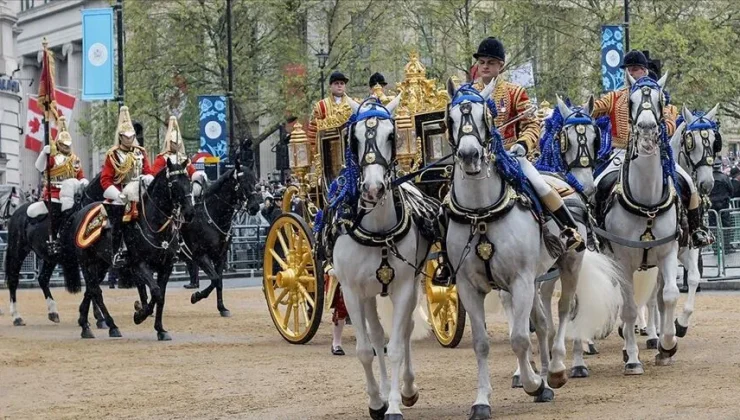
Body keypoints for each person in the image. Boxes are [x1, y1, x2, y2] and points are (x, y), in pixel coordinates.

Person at [435, 37, 585, 284]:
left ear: (500, 66)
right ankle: (447, 259)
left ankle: (569, 231)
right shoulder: (464, 94)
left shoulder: (515, 92)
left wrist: (522, 144)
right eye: (482, 62)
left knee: (540, 185)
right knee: (445, 205)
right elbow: (450, 127)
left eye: (490, 63)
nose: (485, 66)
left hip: (510, 157)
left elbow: (531, 124)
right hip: (474, 160)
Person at [592, 50, 712, 248]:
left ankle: (696, 230)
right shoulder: (615, 97)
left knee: (689, 183)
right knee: (596, 187)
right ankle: (596, 233)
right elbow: (593, 109)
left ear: (645, 71)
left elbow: (671, 121)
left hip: (656, 154)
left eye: (636, 69)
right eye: (628, 69)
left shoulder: (659, 96)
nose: (632, 72)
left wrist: (661, 127)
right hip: (621, 153)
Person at [100, 106, 154, 268]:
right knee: (118, 221)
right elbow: (105, 180)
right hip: (121, 194)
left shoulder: (140, 152)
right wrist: (118, 195)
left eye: (132, 136)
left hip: (140, 191)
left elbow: (148, 171)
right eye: (126, 136)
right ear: (121, 137)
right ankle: (117, 251)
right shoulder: (113, 155)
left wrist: (147, 177)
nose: (130, 139)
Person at [33, 116, 87, 253]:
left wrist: (83, 182)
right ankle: (56, 238)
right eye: (64, 145)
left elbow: (80, 175)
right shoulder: (52, 159)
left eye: (68, 145)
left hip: (73, 193)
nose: (67, 148)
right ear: (58, 144)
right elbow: (39, 167)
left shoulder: (75, 159)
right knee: (56, 213)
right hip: (55, 192)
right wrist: (43, 154)